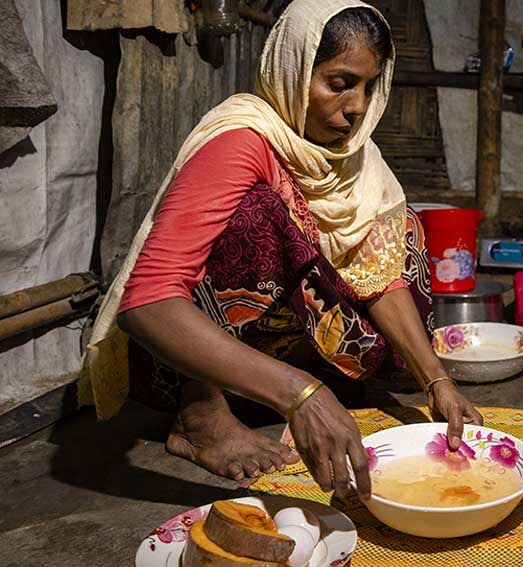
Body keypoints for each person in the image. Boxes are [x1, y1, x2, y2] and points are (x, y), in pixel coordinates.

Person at [79, 0, 482, 501]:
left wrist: (436, 381)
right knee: (255, 214)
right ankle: (200, 413)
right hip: (198, 359)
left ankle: (305, 381)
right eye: (339, 84)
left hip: (291, 345)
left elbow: (379, 276)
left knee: (401, 226)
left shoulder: (357, 155)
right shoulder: (241, 141)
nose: (357, 106)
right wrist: (302, 396)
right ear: (294, 72)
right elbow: (148, 302)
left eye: (368, 86)